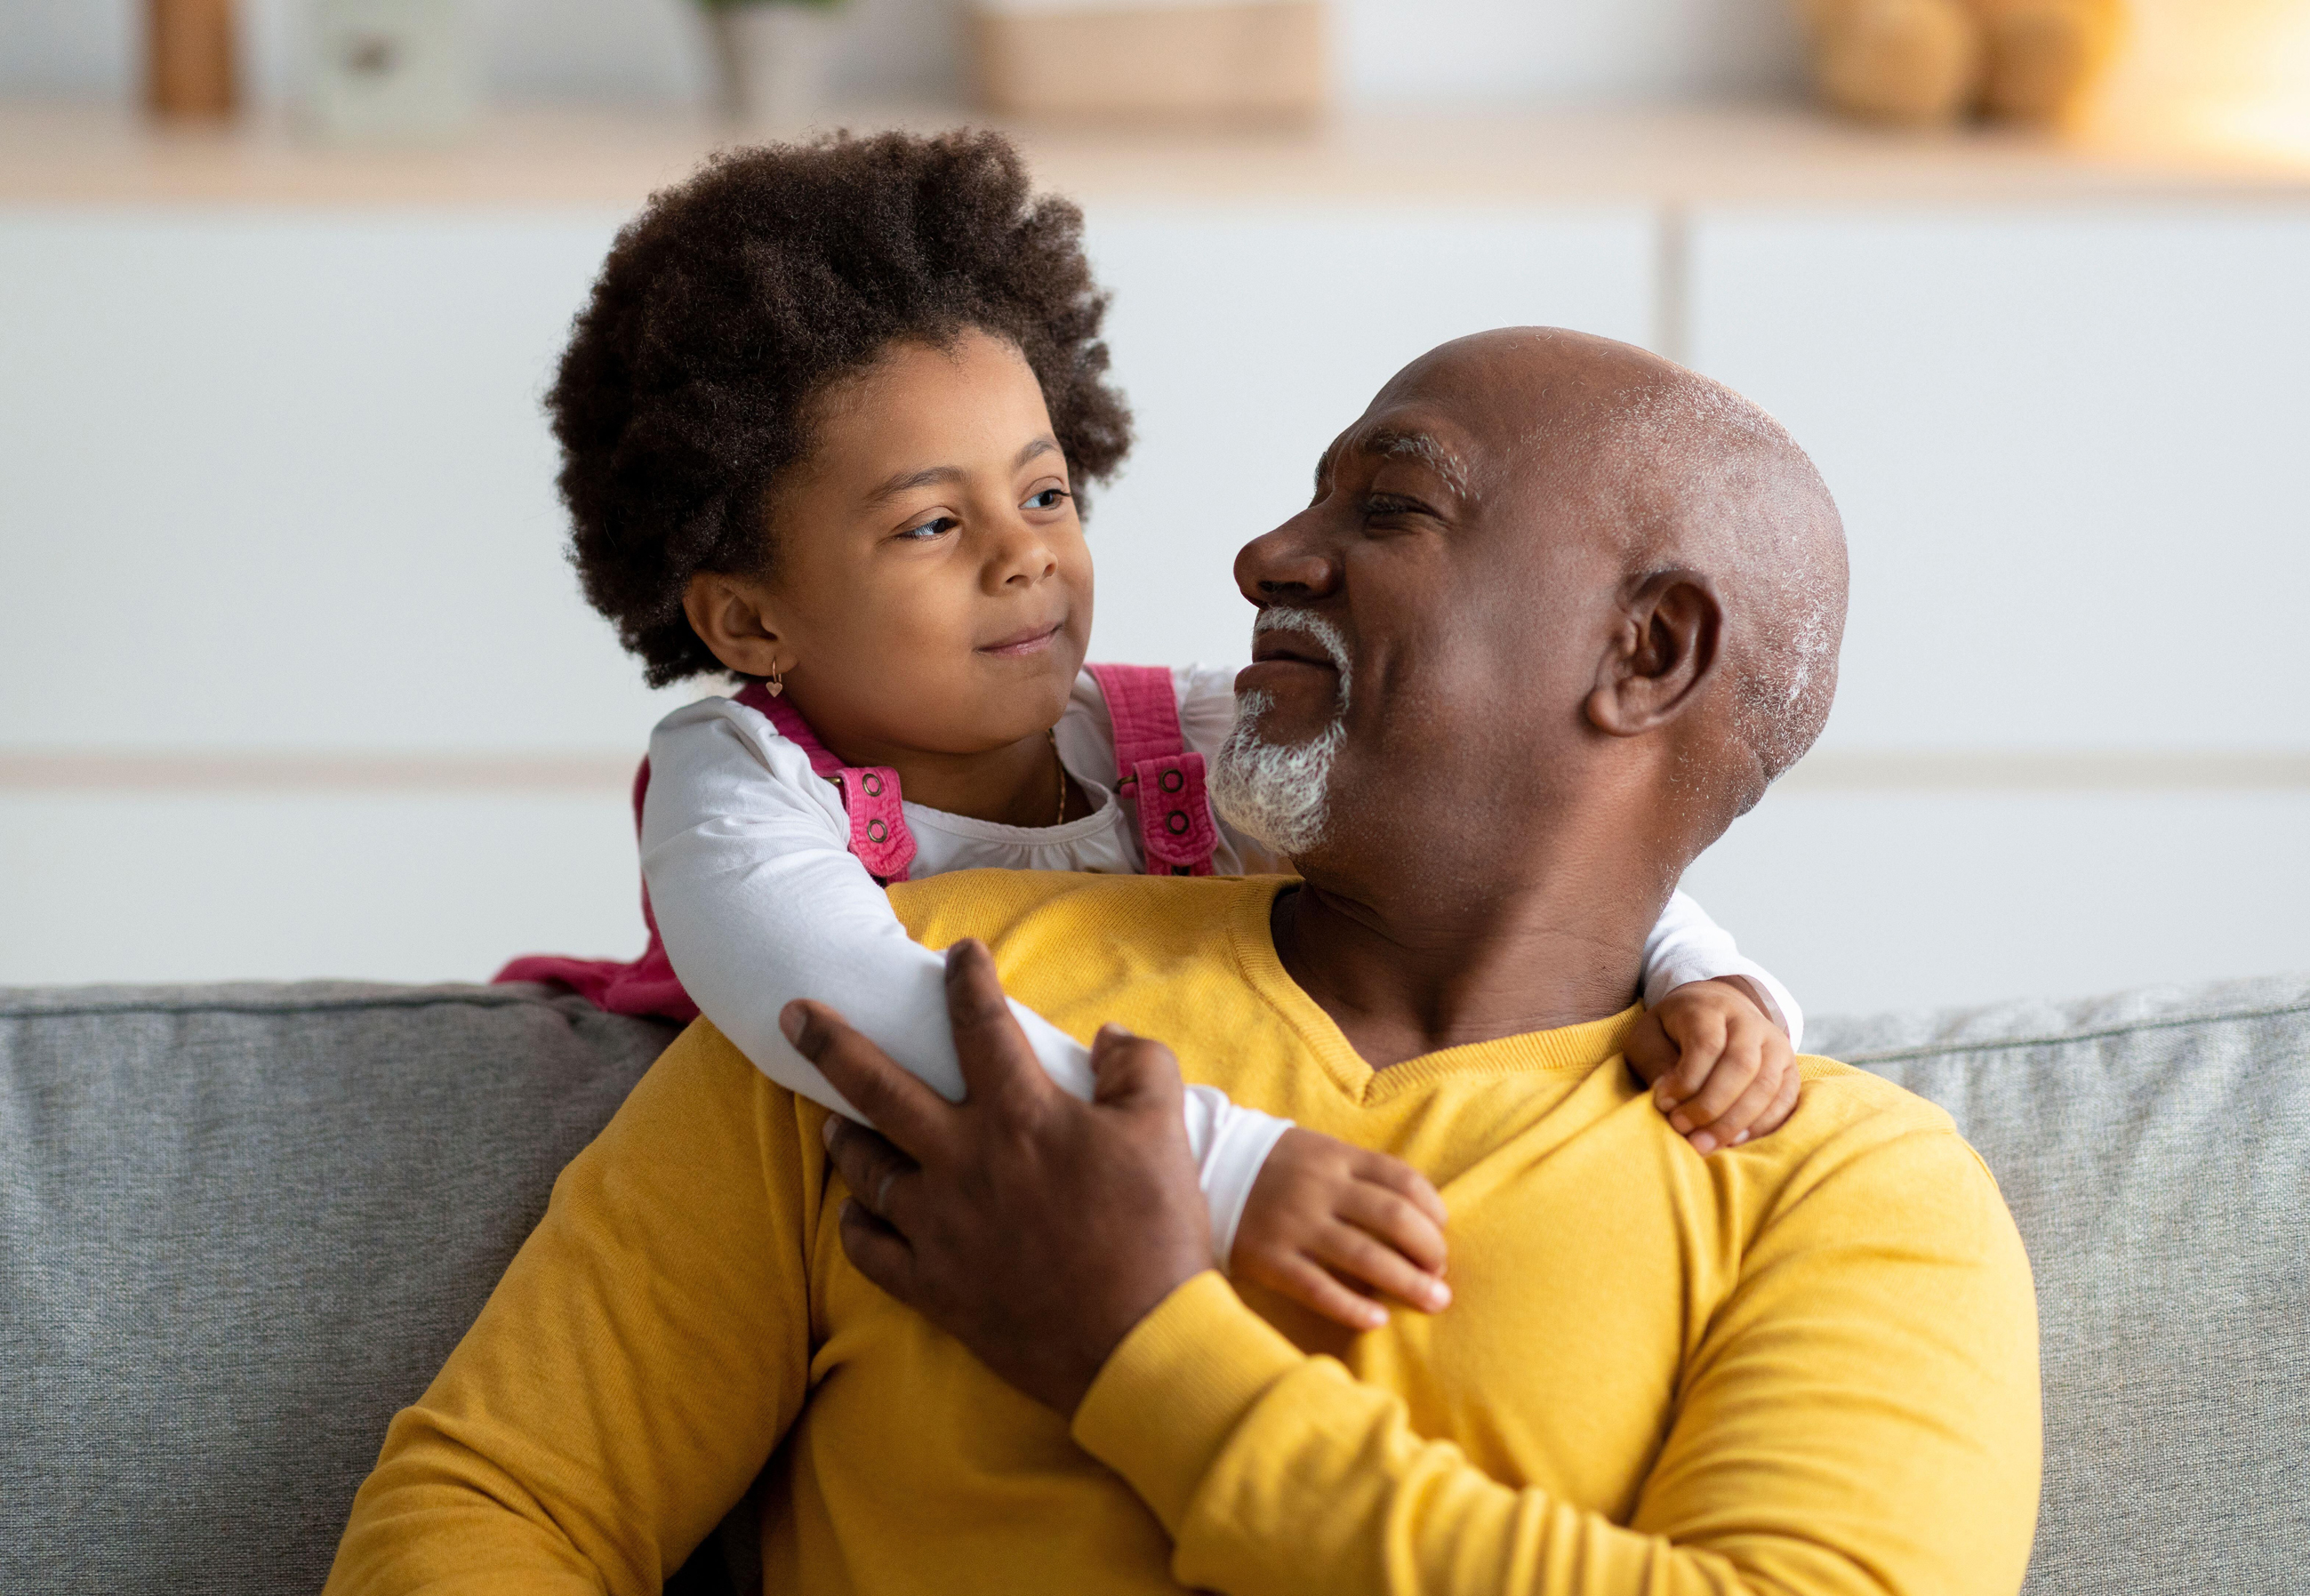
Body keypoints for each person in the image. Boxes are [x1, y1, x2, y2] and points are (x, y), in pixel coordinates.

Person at [328, 328, 2041, 1595]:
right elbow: (499, 1515)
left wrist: (1136, 1348)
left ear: (1645, 652)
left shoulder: (1843, 1187)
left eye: (1390, 507)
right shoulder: (922, 1001)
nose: (1261, 557)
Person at [495, 130, 1808, 1328]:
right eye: (931, 525)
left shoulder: (1166, 736)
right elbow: (852, 1008)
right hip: (792, 1245)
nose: (1026, 560)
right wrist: (1219, 1168)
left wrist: (1699, 975)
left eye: (1046, 491)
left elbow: (1495, 852)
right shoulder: (735, 785)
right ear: (748, 621)